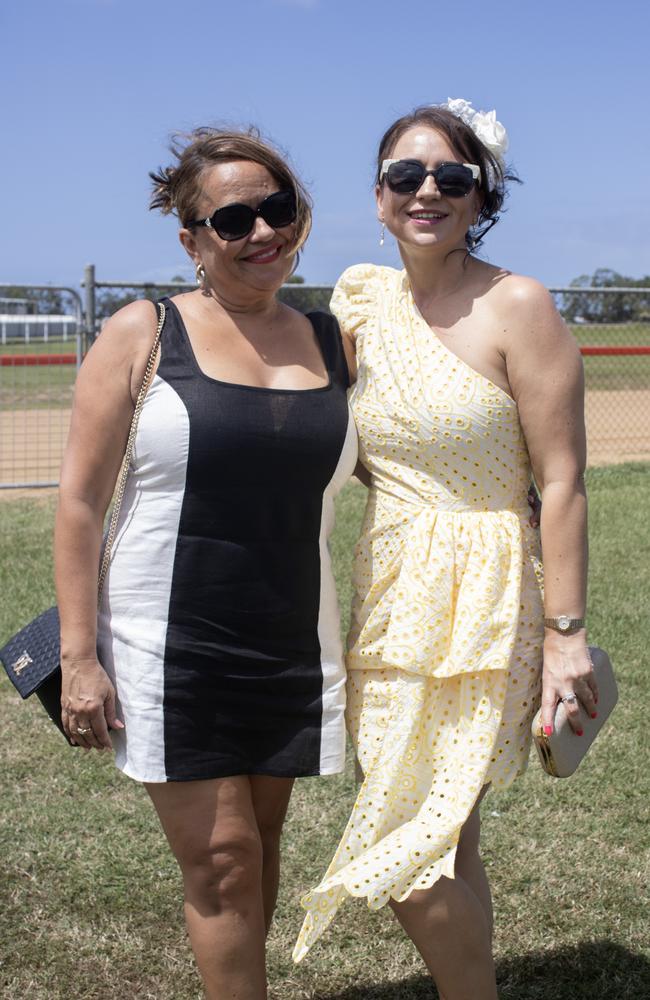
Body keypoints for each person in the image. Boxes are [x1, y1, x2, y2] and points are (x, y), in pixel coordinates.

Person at [294, 100, 598, 1000]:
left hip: (489, 593)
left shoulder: (520, 305)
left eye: (451, 178)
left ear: (479, 195)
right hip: (389, 590)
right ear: (379, 198)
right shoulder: (360, 297)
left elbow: (565, 484)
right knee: (444, 834)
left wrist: (566, 635)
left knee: (413, 850)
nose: (427, 191)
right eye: (406, 177)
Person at [54, 128, 357, 1000]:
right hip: (166, 643)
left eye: (279, 207)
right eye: (233, 217)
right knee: (222, 860)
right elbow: (78, 502)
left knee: (257, 852)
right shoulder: (142, 334)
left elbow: (408, 457)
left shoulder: (336, 342)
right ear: (191, 240)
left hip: (293, 641)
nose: (262, 229)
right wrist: (79, 657)